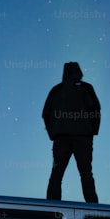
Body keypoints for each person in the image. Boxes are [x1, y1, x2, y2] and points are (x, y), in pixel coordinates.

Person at [43, 61, 100, 203]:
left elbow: (46, 114)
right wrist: (92, 130)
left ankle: (52, 205)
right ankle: (92, 206)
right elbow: (95, 110)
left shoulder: (56, 90)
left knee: (57, 173)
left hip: (61, 138)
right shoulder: (86, 88)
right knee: (86, 173)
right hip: (83, 137)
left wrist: (53, 133)